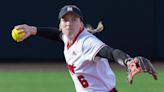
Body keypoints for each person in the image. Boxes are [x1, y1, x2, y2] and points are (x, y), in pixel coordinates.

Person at [13, 5, 158, 92]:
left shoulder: (87, 42)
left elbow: (110, 52)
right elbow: (56, 35)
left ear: (81, 25)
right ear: (60, 25)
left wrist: (127, 61)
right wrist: (33, 30)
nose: (69, 23)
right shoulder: (67, 37)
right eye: (65, 20)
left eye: (74, 19)